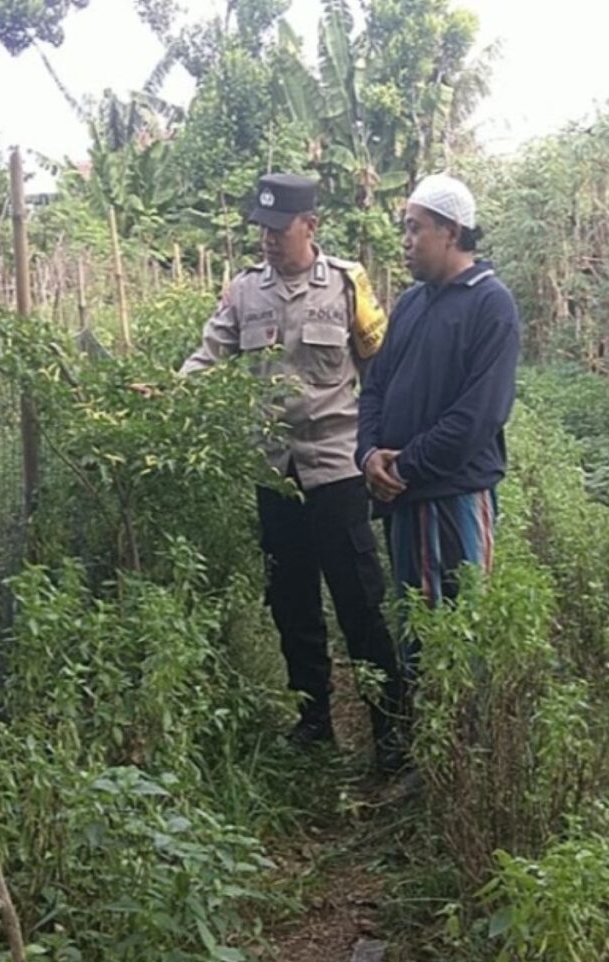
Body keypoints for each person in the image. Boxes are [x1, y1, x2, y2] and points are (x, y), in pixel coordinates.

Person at [182, 172, 406, 772]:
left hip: (336, 467)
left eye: (279, 230)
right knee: (292, 602)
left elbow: (378, 372)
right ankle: (315, 722)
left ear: (310, 226)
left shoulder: (347, 285)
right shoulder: (244, 292)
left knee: (359, 600)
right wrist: (168, 397)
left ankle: (391, 730)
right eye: (262, 229)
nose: (268, 241)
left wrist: (384, 446)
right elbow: (209, 357)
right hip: (274, 472)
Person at [356, 172, 520, 631]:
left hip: (453, 497)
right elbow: (375, 386)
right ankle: (413, 705)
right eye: (405, 228)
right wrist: (368, 454)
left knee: (457, 631)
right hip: (402, 498)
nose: (406, 241)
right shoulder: (411, 303)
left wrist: (403, 468)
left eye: (415, 228)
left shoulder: (491, 305)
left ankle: (458, 708)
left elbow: (477, 418)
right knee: (414, 625)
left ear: (450, 232)